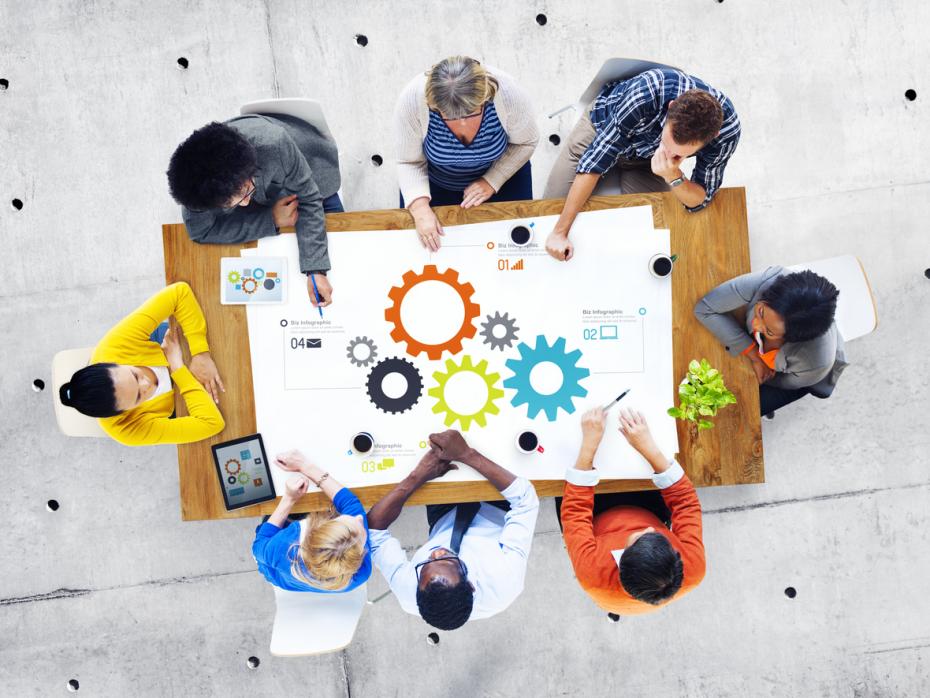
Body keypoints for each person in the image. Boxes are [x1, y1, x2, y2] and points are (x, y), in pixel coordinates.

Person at [543, 68, 740, 261]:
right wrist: (560, 232)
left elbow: (699, 200)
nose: (669, 154)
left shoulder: (727, 132)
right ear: (671, 106)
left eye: (679, 154)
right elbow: (594, 162)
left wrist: (673, 176)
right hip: (602, 128)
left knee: (656, 238)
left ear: (714, 136)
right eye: (667, 143)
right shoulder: (646, 91)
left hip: (646, 159)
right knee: (549, 216)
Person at [367, 430, 539, 630]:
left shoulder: (408, 591)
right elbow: (525, 501)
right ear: (471, 585)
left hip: (444, 513)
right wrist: (466, 454)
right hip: (499, 505)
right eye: (448, 560)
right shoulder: (505, 580)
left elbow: (373, 530)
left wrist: (418, 476)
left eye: (426, 563)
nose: (437, 552)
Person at [167, 113, 342, 307]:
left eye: (244, 193)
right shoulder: (196, 190)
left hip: (311, 164)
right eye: (230, 204)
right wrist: (271, 219)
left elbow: (309, 198)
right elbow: (201, 231)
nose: (243, 204)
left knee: (340, 250)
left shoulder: (274, 144)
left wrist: (316, 270)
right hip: (266, 193)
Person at [559, 407, 705, 615]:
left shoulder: (591, 573)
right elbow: (686, 504)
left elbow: (574, 513)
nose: (649, 530)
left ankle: (613, 612)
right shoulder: (694, 567)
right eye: (661, 536)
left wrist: (589, 446)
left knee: (562, 472)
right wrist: (649, 448)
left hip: (594, 518)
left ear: (620, 559)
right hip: (647, 507)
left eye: (638, 538)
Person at [394, 55, 539, 251]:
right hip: (434, 183)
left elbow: (526, 142)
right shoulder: (412, 99)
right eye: (449, 116)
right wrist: (419, 209)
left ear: (485, 98)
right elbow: (408, 162)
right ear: (433, 105)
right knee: (432, 251)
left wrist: (493, 180)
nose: (462, 123)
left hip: (503, 177)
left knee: (513, 250)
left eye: (470, 113)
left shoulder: (508, 93)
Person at [58, 282, 225, 446]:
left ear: (116, 363)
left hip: (167, 345)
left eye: (135, 375)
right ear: (122, 413)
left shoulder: (113, 346)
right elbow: (211, 423)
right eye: (139, 396)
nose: (147, 383)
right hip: (177, 396)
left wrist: (200, 353)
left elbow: (179, 293)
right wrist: (177, 367)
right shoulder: (124, 430)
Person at [694, 267, 847, 415]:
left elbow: (782, 383)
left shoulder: (814, 364)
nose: (755, 324)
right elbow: (704, 309)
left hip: (797, 379)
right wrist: (755, 356)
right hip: (779, 357)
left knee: (739, 410)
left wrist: (759, 378)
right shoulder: (770, 279)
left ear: (791, 339)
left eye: (769, 331)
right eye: (760, 311)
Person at [252, 450, 371, 592]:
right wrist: (306, 467)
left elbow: (259, 545)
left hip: (275, 570)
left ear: (318, 527)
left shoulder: (283, 546)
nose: (359, 518)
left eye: (340, 520)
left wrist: (289, 498)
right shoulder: (360, 574)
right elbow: (351, 505)